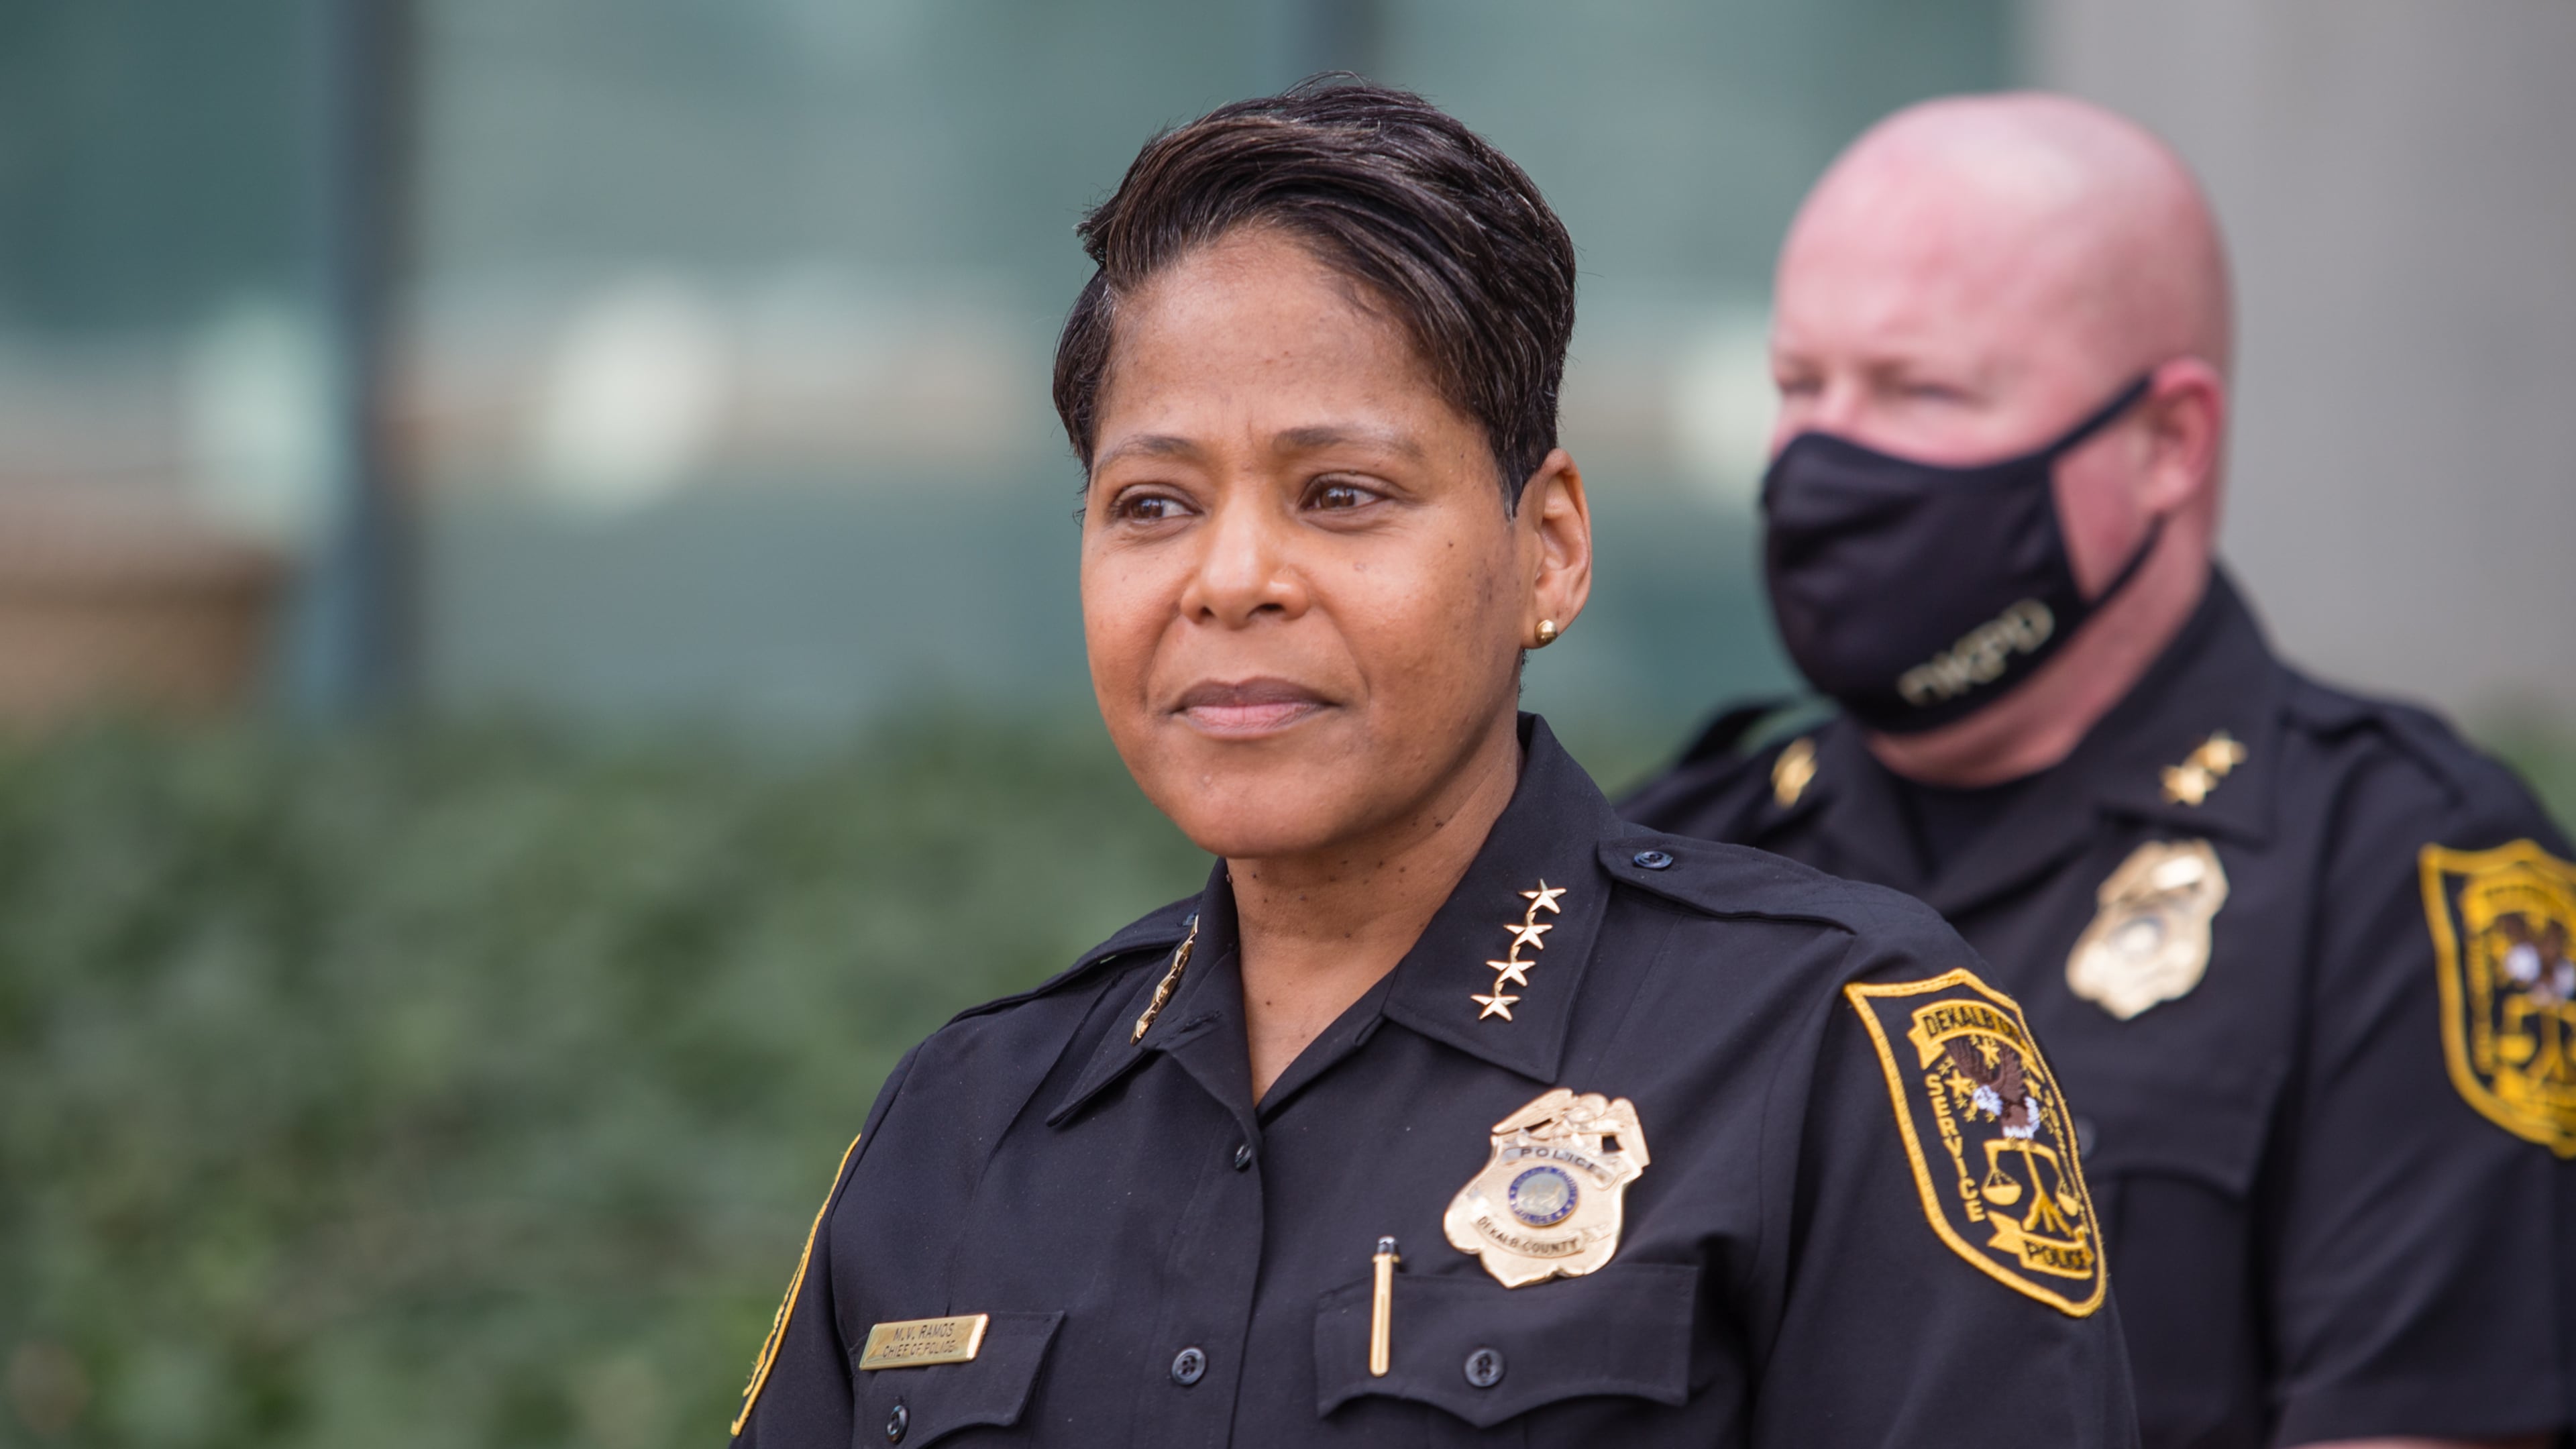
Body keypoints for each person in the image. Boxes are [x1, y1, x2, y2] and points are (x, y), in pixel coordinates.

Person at [726, 80, 2137, 1447]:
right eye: (1152, 504)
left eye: (1342, 496)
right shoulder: (965, 1124)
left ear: (1552, 546)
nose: (1228, 580)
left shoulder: (1827, 1048)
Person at [1625, 92, 2576, 1449]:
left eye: (1919, 391)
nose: (1827, 459)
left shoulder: (2402, 877)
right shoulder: (1677, 860)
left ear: (2167, 444)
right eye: (1798, 387)